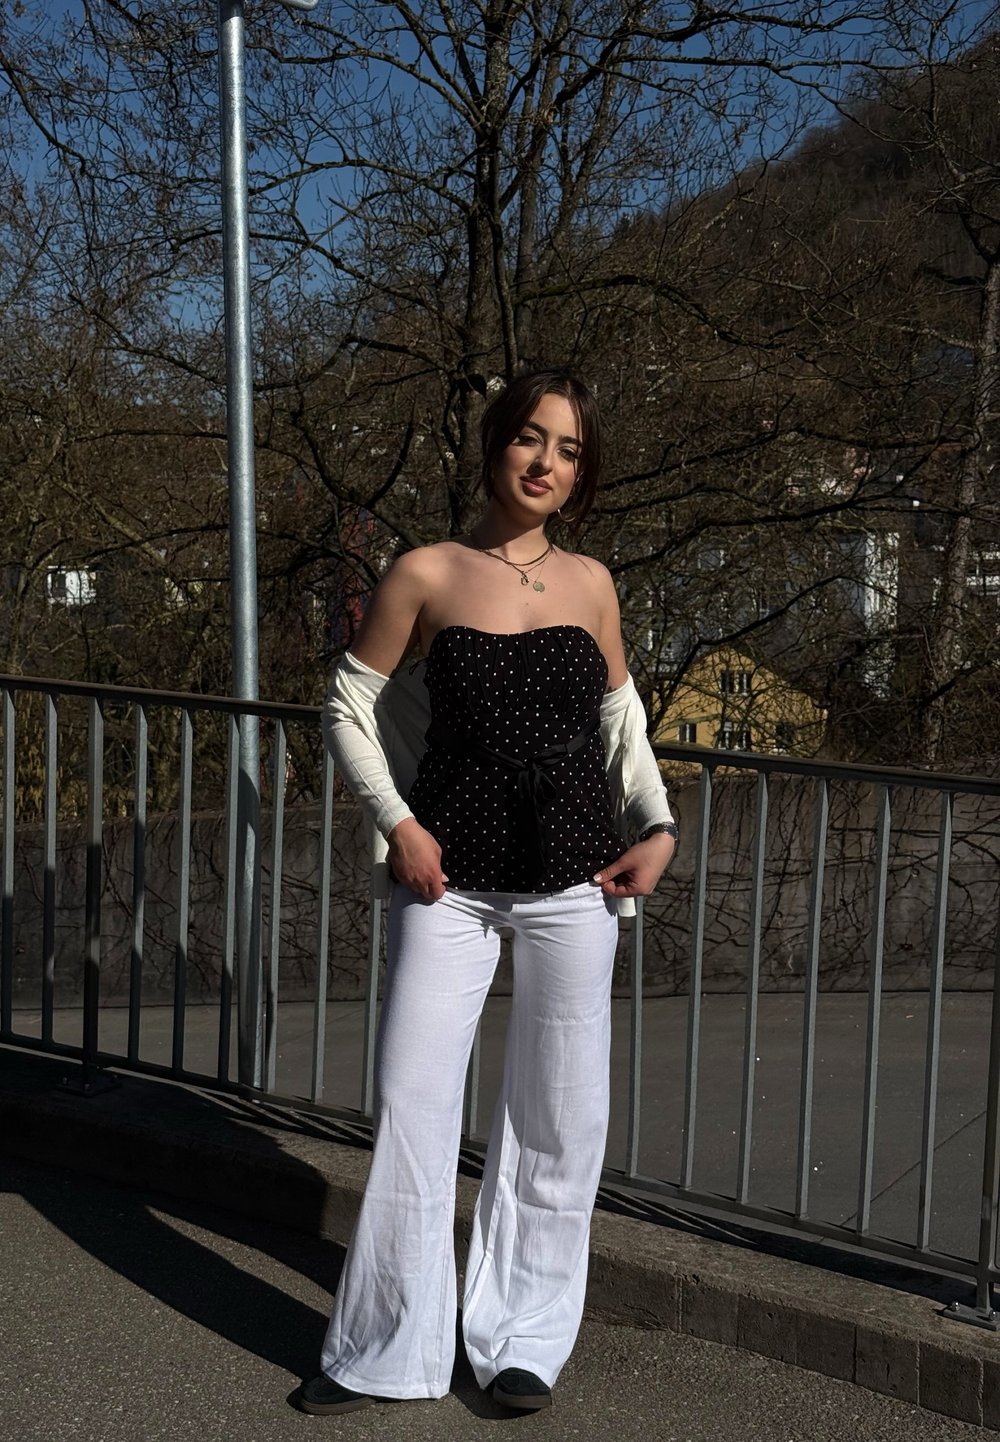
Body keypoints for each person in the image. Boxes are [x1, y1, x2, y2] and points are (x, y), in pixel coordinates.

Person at [296, 368, 677, 1418]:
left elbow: (621, 720)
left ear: (582, 472)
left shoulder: (592, 582)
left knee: (559, 1116)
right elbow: (346, 707)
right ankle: (386, 1347)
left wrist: (657, 827)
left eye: (568, 449)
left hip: (575, 881)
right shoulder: (424, 571)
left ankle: (522, 1340)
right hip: (448, 881)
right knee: (412, 1106)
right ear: (495, 444)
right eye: (530, 438)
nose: (546, 462)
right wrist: (399, 824)